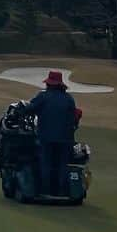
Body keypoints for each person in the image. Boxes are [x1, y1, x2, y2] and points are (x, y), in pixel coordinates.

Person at [27, 69, 78, 197]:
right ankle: (61, 191)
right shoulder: (69, 99)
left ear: (49, 84)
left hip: (46, 137)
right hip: (66, 138)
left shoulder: (43, 96)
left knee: (46, 162)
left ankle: (45, 190)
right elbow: (74, 118)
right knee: (62, 164)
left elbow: (29, 109)